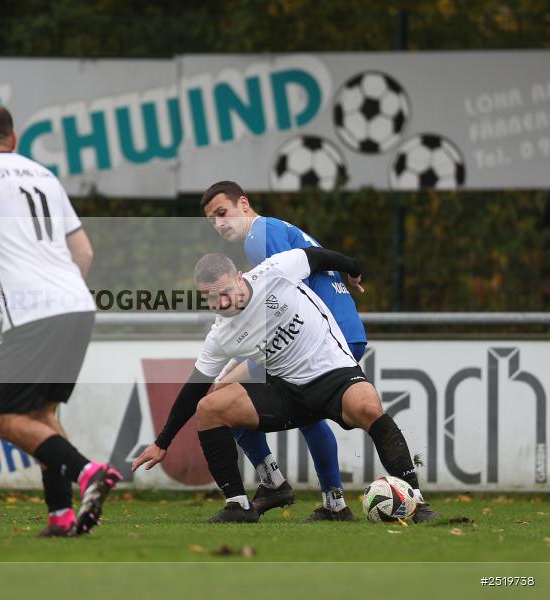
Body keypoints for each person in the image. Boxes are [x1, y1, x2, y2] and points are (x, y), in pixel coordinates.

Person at [131, 248, 440, 525]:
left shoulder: (274, 270)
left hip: (334, 375)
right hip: (287, 393)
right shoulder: (220, 334)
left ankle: (416, 503)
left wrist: (352, 266)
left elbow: (316, 256)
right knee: (210, 408)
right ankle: (238, 506)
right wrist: (162, 442)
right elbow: (194, 387)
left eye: (225, 291)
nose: (221, 302)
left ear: (240, 277)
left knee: (368, 406)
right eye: (211, 297)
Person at [0, 104, 120, 537]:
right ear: (14, 139)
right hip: (77, 306)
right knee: (42, 415)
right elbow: (85, 253)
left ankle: (87, 473)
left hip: (34, 312)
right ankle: (61, 516)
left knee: (8, 421)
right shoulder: (44, 175)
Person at [201, 180, 368, 521]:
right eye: (212, 220)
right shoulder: (269, 231)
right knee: (305, 413)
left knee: (224, 397)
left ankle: (275, 484)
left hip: (322, 336)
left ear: (243, 204)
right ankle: (332, 502)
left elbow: (281, 307)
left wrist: (236, 366)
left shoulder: (260, 235)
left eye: (223, 212)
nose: (219, 223)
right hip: (342, 331)